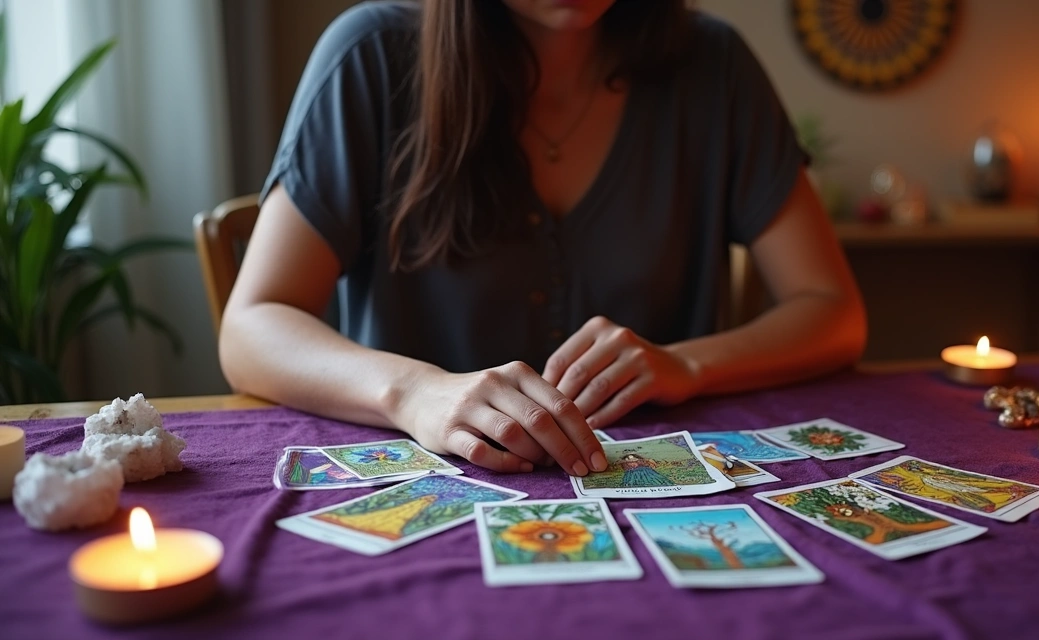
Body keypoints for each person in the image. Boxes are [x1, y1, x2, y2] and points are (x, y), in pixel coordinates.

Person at [219, 0, 867, 479]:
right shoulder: (369, 56)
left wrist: (690, 364)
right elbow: (253, 327)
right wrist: (414, 392)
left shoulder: (716, 65)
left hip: (650, 487)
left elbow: (833, 311)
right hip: (429, 484)